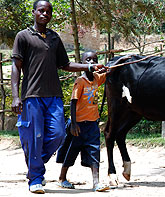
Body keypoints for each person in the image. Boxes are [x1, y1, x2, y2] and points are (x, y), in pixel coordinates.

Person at [11, 0, 106, 194]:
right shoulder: (23, 36)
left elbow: (66, 64)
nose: (45, 14)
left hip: (53, 96)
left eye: (48, 11)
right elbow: (16, 67)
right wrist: (15, 96)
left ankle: (34, 164)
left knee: (59, 134)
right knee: (36, 138)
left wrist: (89, 67)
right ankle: (35, 178)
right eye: (41, 10)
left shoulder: (54, 38)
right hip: (32, 95)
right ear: (34, 12)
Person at [56, 51, 109, 192]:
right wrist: (73, 124)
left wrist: (114, 64)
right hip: (78, 124)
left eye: (95, 60)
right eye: (88, 60)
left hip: (92, 124)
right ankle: (62, 178)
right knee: (71, 151)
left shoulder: (97, 78)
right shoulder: (80, 81)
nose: (91, 62)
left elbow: (109, 71)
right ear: (82, 63)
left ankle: (96, 183)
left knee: (94, 151)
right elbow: (73, 103)